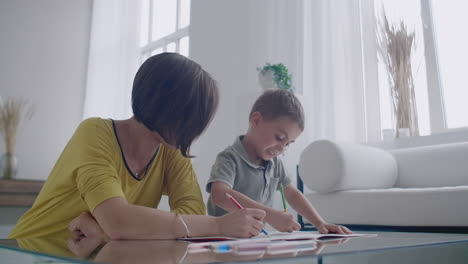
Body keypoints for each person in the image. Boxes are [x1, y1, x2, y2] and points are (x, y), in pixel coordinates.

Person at [9, 52, 265, 240]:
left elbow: (191, 211)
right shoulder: (95, 132)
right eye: (189, 117)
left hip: (99, 255)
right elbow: (119, 222)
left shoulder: (171, 149)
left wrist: (110, 229)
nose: (193, 130)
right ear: (162, 104)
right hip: (29, 253)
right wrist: (218, 226)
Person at [206, 89, 352, 234]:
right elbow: (219, 194)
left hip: (255, 240)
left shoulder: (275, 164)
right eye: (280, 138)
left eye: (288, 144)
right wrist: (269, 215)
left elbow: (293, 195)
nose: (282, 148)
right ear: (256, 120)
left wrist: (320, 223)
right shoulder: (229, 158)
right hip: (225, 239)